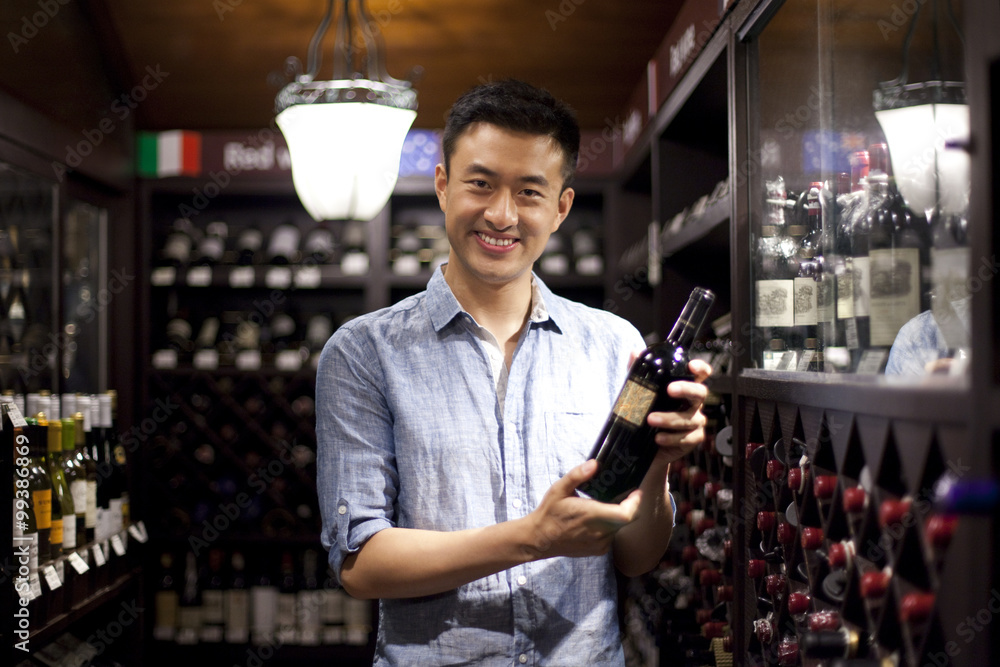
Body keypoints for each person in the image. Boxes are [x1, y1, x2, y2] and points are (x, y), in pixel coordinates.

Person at [316, 79, 711, 665]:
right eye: (480, 184)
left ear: (560, 208)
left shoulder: (613, 345)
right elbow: (359, 565)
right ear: (444, 187)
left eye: (529, 192)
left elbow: (635, 555)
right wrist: (534, 537)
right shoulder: (363, 352)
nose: (501, 215)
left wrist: (656, 468)